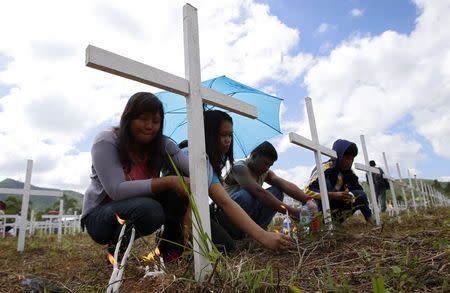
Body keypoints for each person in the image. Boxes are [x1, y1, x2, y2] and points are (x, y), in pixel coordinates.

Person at [81, 92, 191, 260]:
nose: (149, 126)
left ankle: (169, 251)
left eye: (155, 121)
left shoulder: (162, 144)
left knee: (174, 193)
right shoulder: (107, 141)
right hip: (101, 217)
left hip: (141, 205)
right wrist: (168, 180)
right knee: (151, 209)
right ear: (129, 118)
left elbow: (195, 171)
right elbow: (116, 190)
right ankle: (115, 254)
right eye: (143, 119)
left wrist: (201, 161)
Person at [178, 110, 293, 253]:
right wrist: (263, 236)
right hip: (176, 215)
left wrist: (263, 236)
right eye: (222, 135)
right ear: (207, 134)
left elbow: (226, 201)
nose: (228, 140)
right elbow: (225, 202)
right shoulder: (187, 154)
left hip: (199, 214)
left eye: (230, 135)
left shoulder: (209, 165)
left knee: (227, 248)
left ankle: (245, 234)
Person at [222, 141, 314, 239]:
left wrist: (308, 199)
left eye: (270, 165)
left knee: (277, 191)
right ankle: (239, 235)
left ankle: (256, 235)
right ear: (254, 156)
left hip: (248, 215)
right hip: (228, 215)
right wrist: (293, 211)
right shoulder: (239, 168)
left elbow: (285, 184)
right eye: (265, 163)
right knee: (246, 196)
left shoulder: (264, 172)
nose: (267, 168)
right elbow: (259, 193)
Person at [305, 139, 375, 224]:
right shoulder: (324, 169)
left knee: (361, 195)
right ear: (338, 156)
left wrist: (349, 193)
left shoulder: (350, 173)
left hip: (336, 211)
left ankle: (371, 222)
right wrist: (330, 194)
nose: (349, 162)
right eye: (346, 158)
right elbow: (307, 191)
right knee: (325, 184)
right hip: (318, 211)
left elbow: (359, 190)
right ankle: (319, 224)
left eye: (352, 159)